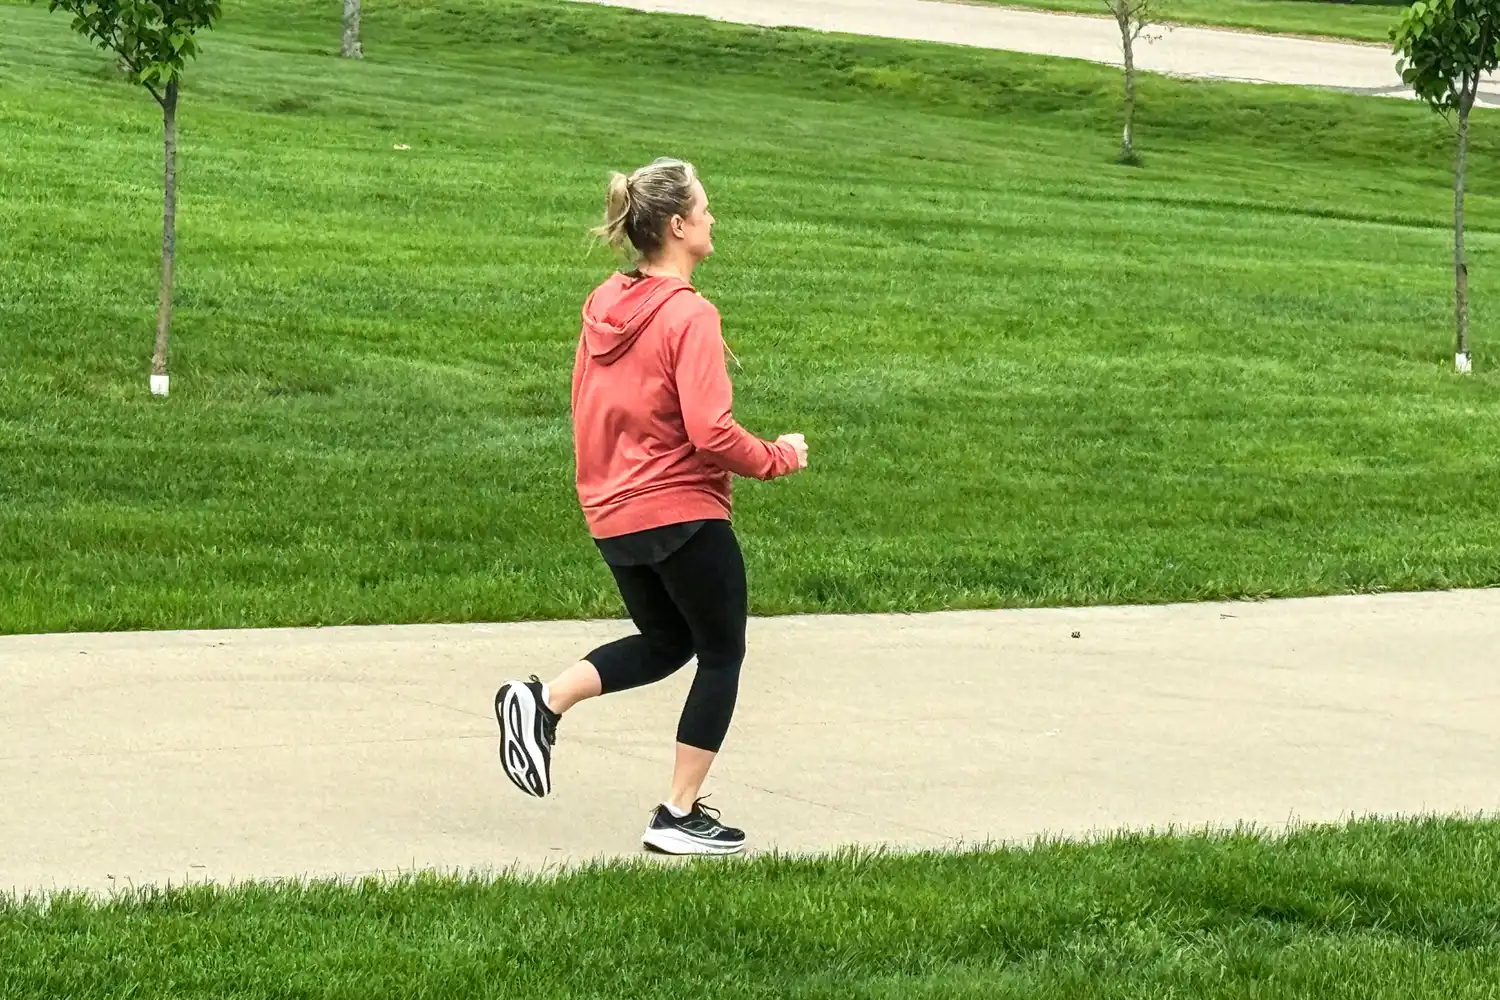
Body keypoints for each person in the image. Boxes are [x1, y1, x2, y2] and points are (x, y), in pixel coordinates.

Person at [493, 157, 809, 856]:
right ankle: (677, 813)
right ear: (677, 224)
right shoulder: (688, 315)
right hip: (681, 512)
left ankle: (542, 704)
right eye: (705, 207)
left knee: (671, 642)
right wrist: (779, 455)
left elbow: (587, 406)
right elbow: (712, 433)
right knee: (722, 652)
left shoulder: (605, 303)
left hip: (613, 513)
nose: (713, 218)